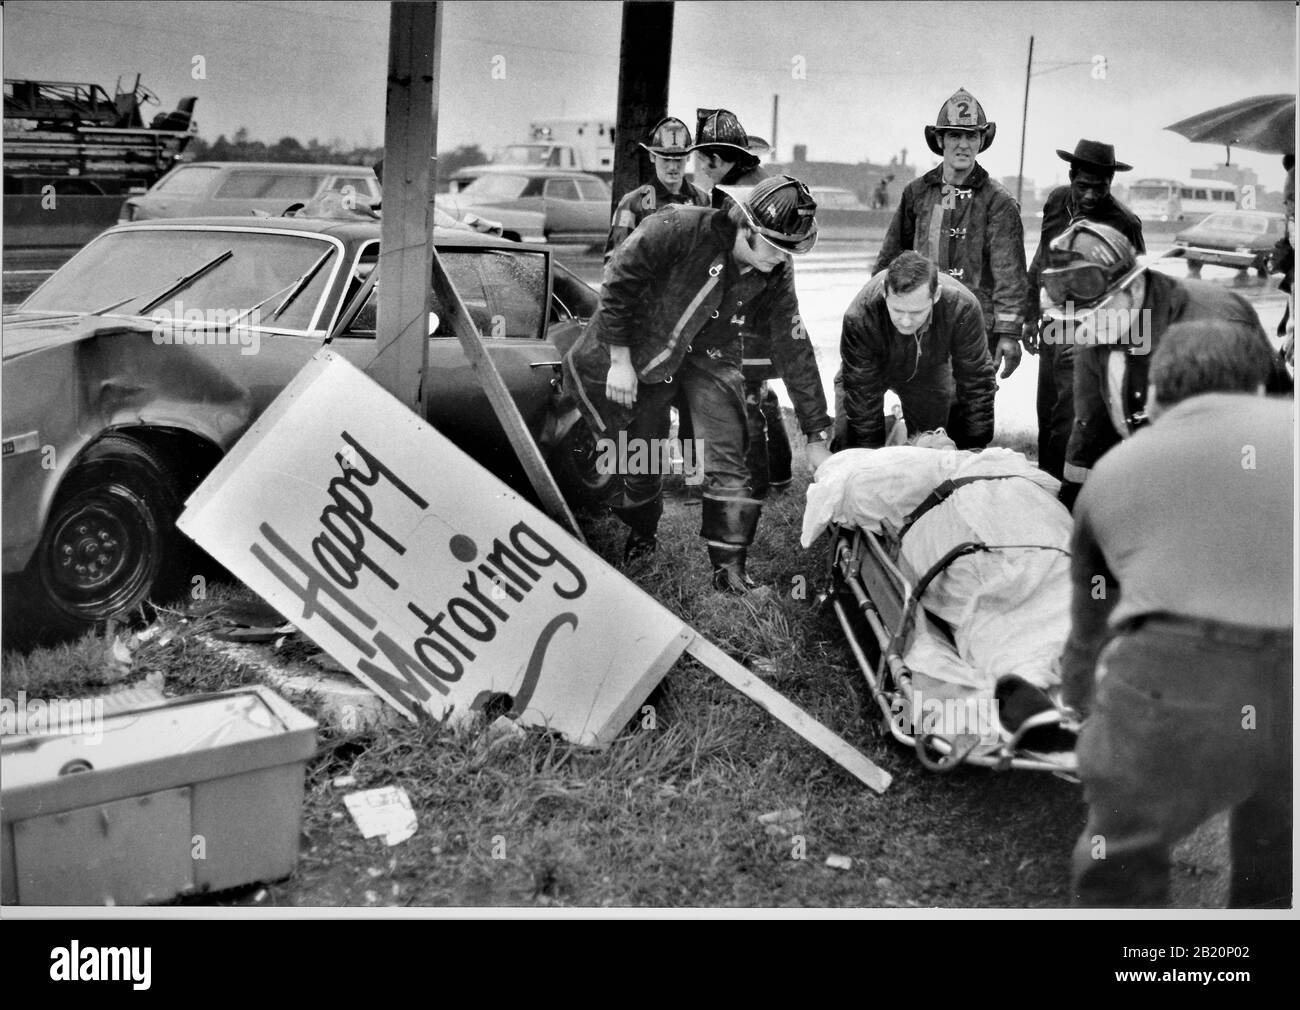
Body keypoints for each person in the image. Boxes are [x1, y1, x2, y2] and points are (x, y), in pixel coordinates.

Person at [1062, 319, 1293, 908]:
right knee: (1281, 843)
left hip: (1177, 679)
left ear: (1158, 395)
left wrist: (1087, 714)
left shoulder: (1114, 471)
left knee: (1122, 852)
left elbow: (1091, 626)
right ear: (1264, 386)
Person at [562, 175, 833, 592]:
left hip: (712, 355)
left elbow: (793, 344)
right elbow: (617, 285)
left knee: (729, 453)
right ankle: (642, 534)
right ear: (746, 227)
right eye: (776, 248)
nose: (781, 260)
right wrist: (619, 360)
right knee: (642, 454)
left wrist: (815, 431)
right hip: (644, 350)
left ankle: (731, 574)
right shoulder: (675, 227)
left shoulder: (776, 270)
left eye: (789, 251)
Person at [1040, 220, 1275, 509]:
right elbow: (1091, 429)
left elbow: (1242, 444)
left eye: (1099, 312)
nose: (1088, 325)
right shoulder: (1100, 327)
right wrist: (1072, 505)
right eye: (1080, 316)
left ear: (1135, 287)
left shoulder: (1210, 326)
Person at [875, 88, 1028, 398]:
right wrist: (878, 314)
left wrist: (1009, 333)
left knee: (970, 411)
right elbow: (890, 259)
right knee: (918, 405)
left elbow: (1009, 275)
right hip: (918, 318)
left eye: (971, 136)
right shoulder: (916, 193)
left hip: (974, 326)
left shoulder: (998, 202)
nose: (963, 144)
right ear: (940, 139)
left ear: (982, 141)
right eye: (955, 135)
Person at [688, 107, 794, 496]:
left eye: (703, 159)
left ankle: (755, 488)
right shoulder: (759, 183)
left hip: (749, 315)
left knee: (747, 400)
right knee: (761, 396)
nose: (699, 166)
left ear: (719, 158)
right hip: (764, 313)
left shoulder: (739, 196)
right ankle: (777, 476)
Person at [1025, 140, 1145, 481]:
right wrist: (1028, 314)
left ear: (1110, 183)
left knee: (1068, 425)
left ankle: (1064, 503)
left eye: (1100, 188)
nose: (1090, 195)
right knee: (1046, 416)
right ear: (1071, 177)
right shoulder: (1056, 202)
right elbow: (1041, 259)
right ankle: (1043, 493)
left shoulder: (1124, 223)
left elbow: (1137, 292)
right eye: (1083, 186)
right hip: (1051, 325)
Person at [839, 251, 995, 450]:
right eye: (897, 310)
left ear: (936, 295)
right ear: (884, 291)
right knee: (850, 444)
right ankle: (889, 430)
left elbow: (977, 381)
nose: (905, 321)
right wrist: (868, 460)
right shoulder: (859, 316)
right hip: (868, 368)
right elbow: (861, 391)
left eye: (916, 312)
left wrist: (976, 446)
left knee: (931, 448)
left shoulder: (962, 306)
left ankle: (899, 430)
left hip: (926, 371)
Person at [602, 116, 708, 265]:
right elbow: (615, 261)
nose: (672, 167)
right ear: (652, 157)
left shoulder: (702, 200)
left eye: (678, 159)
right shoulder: (633, 203)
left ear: (688, 158)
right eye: (665, 159)